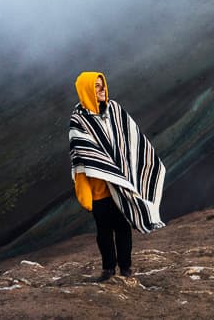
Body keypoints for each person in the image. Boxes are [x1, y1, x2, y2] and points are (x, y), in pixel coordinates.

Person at [69, 71, 166, 281]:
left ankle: (126, 268)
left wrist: (135, 170)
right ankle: (108, 269)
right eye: (96, 86)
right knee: (104, 232)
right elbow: (79, 157)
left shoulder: (115, 111)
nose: (102, 89)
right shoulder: (78, 120)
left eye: (102, 85)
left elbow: (132, 141)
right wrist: (84, 191)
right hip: (98, 191)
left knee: (123, 228)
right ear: (86, 90)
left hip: (121, 186)